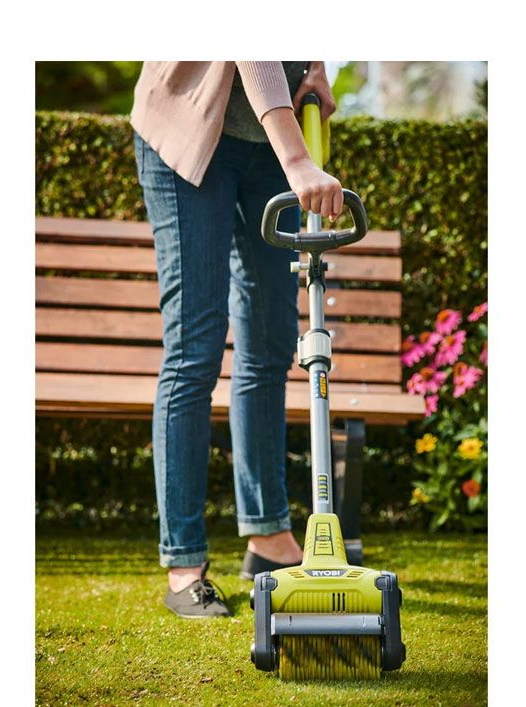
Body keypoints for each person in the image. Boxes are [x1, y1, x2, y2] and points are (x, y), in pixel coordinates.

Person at [130, 61, 343, 618]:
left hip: (268, 142)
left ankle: (269, 537)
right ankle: (184, 563)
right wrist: (298, 159)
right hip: (192, 131)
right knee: (195, 348)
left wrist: (315, 66)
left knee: (270, 343)